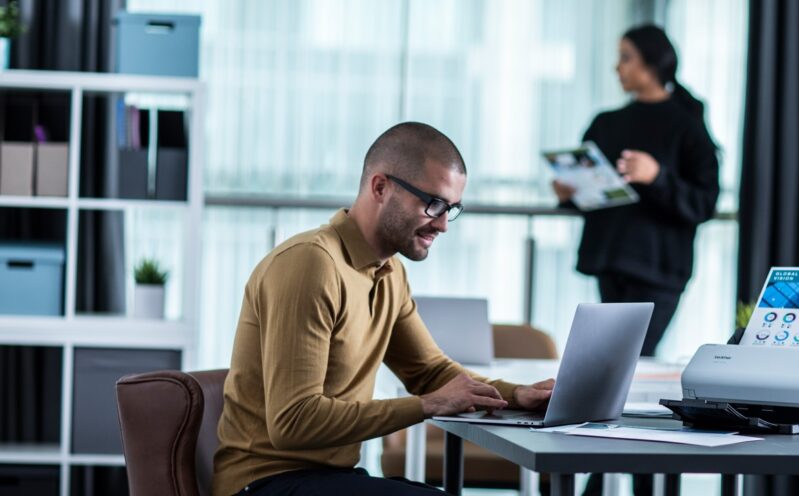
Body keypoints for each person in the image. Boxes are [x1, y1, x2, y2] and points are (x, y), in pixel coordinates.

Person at [213, 122, 554, 496]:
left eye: (451, 209)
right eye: (434, 204)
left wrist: (516, 396)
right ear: (380, 187)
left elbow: (430, 372)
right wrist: (424, 406)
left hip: (330, 479)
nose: (442, 224)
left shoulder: (389, 273)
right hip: (265, 483)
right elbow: (293, 421)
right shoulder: (310, 264)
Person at [551, 25, 719, 496]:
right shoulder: (606, 122)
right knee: (615, 377)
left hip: (660, 270)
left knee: (623, 375)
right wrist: (569, 193)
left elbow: (702, 203)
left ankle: (617, 483)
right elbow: (595, 195)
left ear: (651, 64)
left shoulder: (687, 125)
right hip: (612, 262)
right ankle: (615, 482)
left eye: (625, 57)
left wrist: (656, 175)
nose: (617, 66)